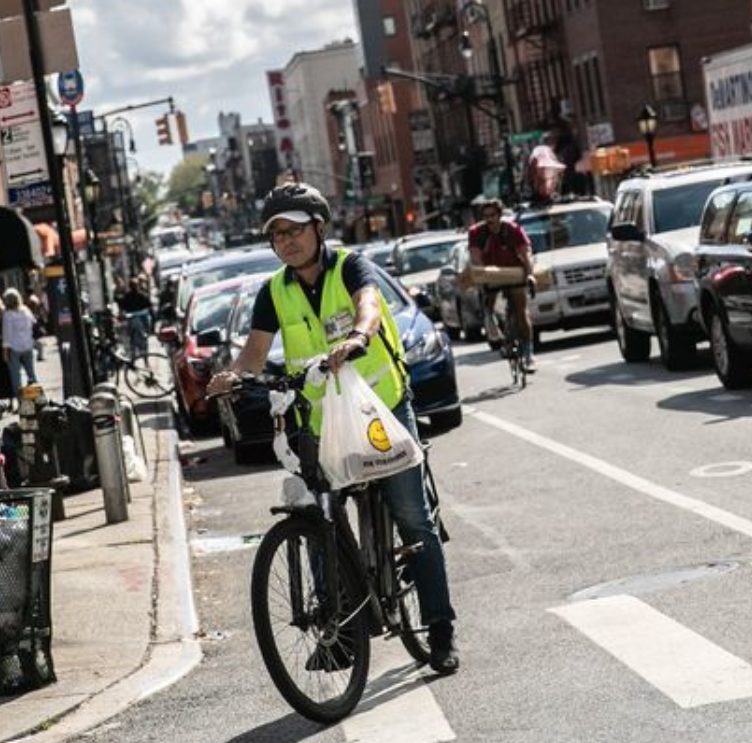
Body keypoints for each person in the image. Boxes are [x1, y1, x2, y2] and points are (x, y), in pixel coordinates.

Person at [206, 181, 459, 674]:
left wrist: (361, 336)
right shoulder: (273, 291)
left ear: (318, 228)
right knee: (319, 520)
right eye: (276, 235)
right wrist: (233, 376)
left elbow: (367, 304)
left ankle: (441, 630)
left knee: (413, 519)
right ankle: (341, 632)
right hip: (322, 424)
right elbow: (255, 352)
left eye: (295, 230)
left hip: (382, 411)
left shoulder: (350, 266)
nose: (287, 241)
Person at [468, 197, 537, 370]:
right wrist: (481, 276)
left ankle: (528, 354)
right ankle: (497, 332)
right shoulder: (477, 233)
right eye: (485, 216)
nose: (489, 219)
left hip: (514, 272)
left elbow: (525, 253)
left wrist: (530, 275)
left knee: (521, 312)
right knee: (488, 304)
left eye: (492, 215)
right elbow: (476, 257)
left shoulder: (512, 230)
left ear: (499, 215)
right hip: (491, 275)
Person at [1, 287, 38, 400]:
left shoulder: (7, 315)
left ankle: (23, 402)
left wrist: (5, 352)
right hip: (28, 345)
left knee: (16, 377)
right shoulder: (25, 310)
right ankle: (36, 399)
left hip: (14, 348)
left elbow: (7, 334)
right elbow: (33, 323)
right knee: (31, 374)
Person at [118, 274, 153, 360]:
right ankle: (144, 358)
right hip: (137, 319)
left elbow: (122, 307)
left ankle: (136, 355)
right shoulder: (141, 295)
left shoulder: (129, 296)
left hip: (135, 319)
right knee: (141, 338)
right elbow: (149, 306)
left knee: (132, 338)